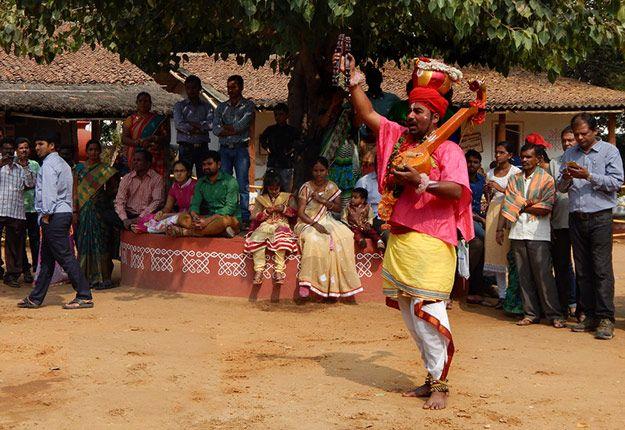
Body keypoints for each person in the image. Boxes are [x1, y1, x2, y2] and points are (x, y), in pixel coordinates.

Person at [341, 54, 473, 409]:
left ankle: (441, 385)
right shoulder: (397, 138)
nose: (410, 116)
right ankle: (431, 377)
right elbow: (368, 114)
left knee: (429, 313)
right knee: (410, 317)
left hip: (432, 240)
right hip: (399, 238)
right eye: (410, 110)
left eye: (418, 112)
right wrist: (354, 79)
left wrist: (423, 182)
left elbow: (458, 191)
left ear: (435, 117)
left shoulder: (448, 149)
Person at [558, 112, 624, 340]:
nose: (579, 138)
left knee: (601, 269)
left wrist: (589, 176)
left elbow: (616, 182)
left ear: (595, 131)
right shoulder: (569, 153)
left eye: (584, 133)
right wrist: (566, 176)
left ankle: (606, 318)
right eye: (576, 134)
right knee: (583, 269)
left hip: (600, 217)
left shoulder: (609, 151)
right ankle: (588, 315)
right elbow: (561, 187)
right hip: (577, 217)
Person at [18, 133, 93, 309]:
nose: (37, 148)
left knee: (65, 256)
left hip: (53, 215)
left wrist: (45, 215)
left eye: (40, 143)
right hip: (61, 213)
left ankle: (84, 294)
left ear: (51, 145)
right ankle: (35, 298)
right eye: (36, 144)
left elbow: (49, 192)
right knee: (47, 260)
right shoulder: (63, 164)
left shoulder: (49, 165)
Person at [496, 143, 565, 328]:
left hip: (539, 233)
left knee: (544, 276)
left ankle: (554, 314)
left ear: (538, 159)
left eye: (528, 157)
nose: (524, 160)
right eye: (523, 157)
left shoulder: (547, 179)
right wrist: (527, 204)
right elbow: (508, 203)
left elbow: (546, 207)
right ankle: (530, 313)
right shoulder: (515, 179)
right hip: (518, 232)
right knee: (523, 275)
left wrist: (521, 205)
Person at [295, 157, 362, 299]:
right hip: (307, 221)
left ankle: (334, 286)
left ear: (327, 171)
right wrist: (315, 224)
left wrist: (322, 200)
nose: (319, 174)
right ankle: (306, 282)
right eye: (315, 170)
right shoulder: (306, 187)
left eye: (322, 170)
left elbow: (338, 208)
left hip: (327, 219)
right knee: (313, 239)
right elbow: (300, 212)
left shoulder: (332, 186)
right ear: (311, 171)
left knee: (345, 236)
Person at [74, 140, 117, 290]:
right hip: (83, 210)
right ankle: (84, 277)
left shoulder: (106, 170)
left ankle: (102, 277)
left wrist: (102, 198)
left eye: (96, 150)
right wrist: (75, 210)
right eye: (90, 149)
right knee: (83, 241)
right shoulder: (78, 169)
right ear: (86, 151)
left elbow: (112, 191)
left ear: (100, 151)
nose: (93, 152)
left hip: (100, 212)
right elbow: (75, 191)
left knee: (101, 242)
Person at [213, 75, 256, 227]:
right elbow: (215, 129)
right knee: (224, 183)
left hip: (240, 150)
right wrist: (232, 129)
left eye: (234, 87)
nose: (230, 90)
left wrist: (227, 128)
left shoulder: (248, 106)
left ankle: (244, 217)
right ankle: (226, 213)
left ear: (241, 87)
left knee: (242, 183)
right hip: (224, 150)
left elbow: (242, 126)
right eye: (229, 87)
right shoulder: (221, 107)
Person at [167, 151, 240, 238]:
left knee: (223, 222)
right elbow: (195, 204)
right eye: (204, 164)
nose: (206, 167)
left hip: (228, 217)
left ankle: (186, 232)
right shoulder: (201, 182)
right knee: (182, 218)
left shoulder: (230, 181)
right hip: (207, 218)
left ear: (219, 164)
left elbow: (230, 208)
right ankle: (220, 232)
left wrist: (209, 220)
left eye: (209, 164)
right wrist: (195, 216)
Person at [483, 141, 521, 307]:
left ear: (510, 155)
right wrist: (488, 191)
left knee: (509, 251)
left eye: (502, 152)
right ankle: (503, 295)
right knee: (496, 252)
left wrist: (500, 188)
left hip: (509, 212)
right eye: (497, 152)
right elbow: (488, 198)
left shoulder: (516, 172)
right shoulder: (491, 172)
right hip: (493, 211)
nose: (498, 155)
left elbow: (519, 195)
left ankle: (513, 294)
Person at [244, 169, 298, 285]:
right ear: (266, 187)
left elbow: (294, 213)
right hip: (265, 225)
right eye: (271, 189)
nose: (274, 191)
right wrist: (266, 213)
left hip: (282, 225)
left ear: (280, 186)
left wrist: (283, 209)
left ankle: (279, 271)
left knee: (281, 241)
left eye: (276, 188)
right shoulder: (261, 199)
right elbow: (254, 216)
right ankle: (258, 271)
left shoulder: (288, 197)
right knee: (256, 241)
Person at [548, 126, 577, 318]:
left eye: (571, 140)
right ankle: (564, 304)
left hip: (582, 219)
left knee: (584, 266)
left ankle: (582, 306)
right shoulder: (554, 163)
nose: (567, 143)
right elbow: (552, 192)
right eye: (564, 140)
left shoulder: (586, 162)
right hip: (560, 220)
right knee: (562, 264)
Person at [0, 138, 35, 288]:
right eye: (5, 149)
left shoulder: (20, 168)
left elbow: (30, 183)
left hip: (15, 211)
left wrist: (25, 165)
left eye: (10, 149)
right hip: (0, 210)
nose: (8, 152)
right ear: (1, 151)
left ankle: (12, 275)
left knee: (14, 245)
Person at [134, 160, 197, 234]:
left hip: (189, 217)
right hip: (178, 215)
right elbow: (167, 207)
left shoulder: (195, 186)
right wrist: (161, 212)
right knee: (152, 217)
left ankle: (147, 229)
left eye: (182, 171)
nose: (179, 174)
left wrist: (167, 215)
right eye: (176, 171)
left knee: (169, 220)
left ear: (188, 172)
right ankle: (145, 227)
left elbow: (191, 211)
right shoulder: (174, 186)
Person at [122, 92, 170, 179]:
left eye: (146, 101)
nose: (143, 103)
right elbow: (124, 139)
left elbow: (166, 139)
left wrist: (153, 139)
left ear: (150, 104)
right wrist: (139, 143)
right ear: (136, 103)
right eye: (140, 101)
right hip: (135, 155)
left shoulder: (159, 120)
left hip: (154, 157)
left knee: (154, 182)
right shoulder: (130, 119)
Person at [173, 75, 214, 177]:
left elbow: (211, 125)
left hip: (202, 147)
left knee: (204, 178)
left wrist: (191, 125)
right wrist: (201, 126)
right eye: (188, 88)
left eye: (194, 88)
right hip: (186, 147)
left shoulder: (207, 107)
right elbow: (179, 125)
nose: (191, 90)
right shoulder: (180, 106)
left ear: (199, 88)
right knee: (184, 177)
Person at [114, 150, 164, 231]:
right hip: (128, 214)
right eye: (134, 160)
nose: (135, 162)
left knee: (157, 218)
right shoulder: (127, 178)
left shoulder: (157, 179)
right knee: (108, 214)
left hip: (146, 215)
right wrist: (124, 219)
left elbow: (157, 202)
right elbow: (119, 200)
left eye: (139, 160)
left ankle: (134, 226)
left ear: (148, 163)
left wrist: (139, 218)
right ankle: (131, 226)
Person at [259, 103, 301, 192]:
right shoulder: (270, 129)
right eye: (276, 115)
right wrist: (266, 148)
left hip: (286, 165)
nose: (278, 117)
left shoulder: (292, 131)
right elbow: (262, 139)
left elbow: (299, 143)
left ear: (287, 115)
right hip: (272, 163)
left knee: (285, 190)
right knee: (268, 188)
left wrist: (292, 150)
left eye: (281, 114)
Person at [16, 138, 40, 283]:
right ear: (16, 150)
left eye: (26, 147)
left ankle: (37, 268)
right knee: (19, 240)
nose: (24, 150)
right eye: (21, 148)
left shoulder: (35, 165)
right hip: (18, 209)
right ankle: (25, 269)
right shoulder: (12, 165)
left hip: (33, 208)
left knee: (35, 239)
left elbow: (37, 184)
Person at [465, 149, 486, 304]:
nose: (471, 165)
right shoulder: (460, 179)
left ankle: (477, 288)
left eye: (475, 162)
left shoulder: (481, 180)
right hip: (465, 218)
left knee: (482, 248)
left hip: (479, 218)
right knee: (486, 240)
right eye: (469, 161)